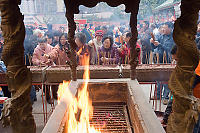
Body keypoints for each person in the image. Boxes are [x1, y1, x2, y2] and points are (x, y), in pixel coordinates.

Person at [150, 23, 174, 104]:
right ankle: (158, 95)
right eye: (162, 28)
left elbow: (170, 49)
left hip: (168, 60)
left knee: (166, 79)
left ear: (170, 28)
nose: (163, 29)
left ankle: (166, 97)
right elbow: (154, 47)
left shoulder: (173, 37)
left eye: (165, 28)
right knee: (158, 78)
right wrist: (152, 42)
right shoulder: (161, 36)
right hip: (159, 60)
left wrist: (160, 45)